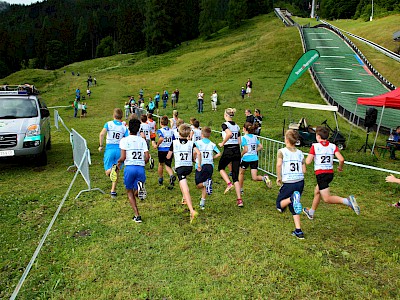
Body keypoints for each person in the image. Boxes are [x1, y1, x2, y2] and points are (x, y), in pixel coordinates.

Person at [303, 126, 360, 220]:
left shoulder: (315, 146)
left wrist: (305, 159)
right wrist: (340, 167)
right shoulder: (333, 146)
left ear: (317, 136)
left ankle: (347, 201)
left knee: (326, 199)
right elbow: (341, 159)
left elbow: (308, 161)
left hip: (321, 175)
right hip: (330, 174)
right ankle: (311, 212)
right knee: (317, 191)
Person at [117, 118, 149, 223]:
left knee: (129, 191)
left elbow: (123, 157)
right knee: (135, 191)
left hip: (129, 168)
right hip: (140, 168)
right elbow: (147, 157)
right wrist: (143, 163)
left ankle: (137, 215)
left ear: (128, 128)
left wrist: (118, 163)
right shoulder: (142, 140)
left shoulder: (124, 140)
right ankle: (139, 189)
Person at [167, 123, 201, 223]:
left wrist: (170, 155)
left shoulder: (174, 142)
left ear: (178, 132)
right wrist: (198, 164)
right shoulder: (191, 143)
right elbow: (198, 153)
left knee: (185, 188)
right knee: (182, 180)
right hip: (189, 167)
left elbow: (169, 156)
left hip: (180, 167)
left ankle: (192, 210)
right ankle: (184, 198)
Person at [276, 129, 306, 239]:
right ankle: (299, 231)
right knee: (294, 205)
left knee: (279, 205)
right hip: (300, 182)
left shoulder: (282, 151)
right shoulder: (300, 153)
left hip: (289, 182)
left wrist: (279, 177)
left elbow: (279, 165)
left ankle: (292, 198)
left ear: (286, 139)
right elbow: (304, 170)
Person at [99, 108, 129, 198]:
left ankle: (111, 170)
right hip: (119, 150)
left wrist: (101, 145)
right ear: (122, 116)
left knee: (108, 171)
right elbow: (127, 139)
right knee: (116, 171)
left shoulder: (108, 124)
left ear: (113, 115)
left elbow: (101, 134)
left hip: (109, 149)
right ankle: (113, 191)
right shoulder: (124, 127)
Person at [218, 108, 243, 207]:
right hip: (237, 150)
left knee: (220, 167)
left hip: (228, 149)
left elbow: (229, 134)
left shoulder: (225, 125)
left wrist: (222, 143)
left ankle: (229, 183)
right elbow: (240, 141)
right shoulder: (237, 126)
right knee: (235, 176)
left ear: (226, 115)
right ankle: (239, 200)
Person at [239, 122, 272, 195]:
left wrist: (240, 155)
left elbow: (245, 150)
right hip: (254, 158)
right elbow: (261, 146)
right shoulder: (254, 137)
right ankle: (264, 178)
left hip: (246, 158)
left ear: (244, 129)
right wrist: (254, 150)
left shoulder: (243, 138)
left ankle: (240, 189)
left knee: (241, 173)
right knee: (254, 177)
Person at [194, 126, 221, 210]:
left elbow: (195, 152)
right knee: (205, 184)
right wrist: (213, 158)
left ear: (202, 134)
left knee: (198, 185)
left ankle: (206, 183)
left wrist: (194, 158)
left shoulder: (197, 143)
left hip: (201, 165)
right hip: (210, 166)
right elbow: (219, 153)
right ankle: (202, 203)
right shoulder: (212, 144)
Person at [154, 115, 176, 189]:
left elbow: (161, 138)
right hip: (169, 150)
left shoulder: (160, 131)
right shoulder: (171, 131)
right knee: (168, 165)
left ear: (161, 123)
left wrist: (157, 145)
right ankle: (171, 176)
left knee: (161, 164)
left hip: (162, 149)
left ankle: (160, 178)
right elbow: (174, 140)